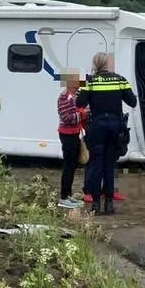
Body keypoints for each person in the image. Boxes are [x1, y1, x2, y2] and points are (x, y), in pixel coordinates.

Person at [75, 52, 137, 216]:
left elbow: (79, 102)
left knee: (96, 165)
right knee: (110, 165)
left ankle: (95, 204)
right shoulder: (120, 80)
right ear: (108, 64)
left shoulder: (90, 82)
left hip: (96, 128)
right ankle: (109, 204)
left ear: (95, 64)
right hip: (115, 128)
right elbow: (133, 102)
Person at [56, 69, 88, 209]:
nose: (78, 83)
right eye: (76, 80)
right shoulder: (64, 97)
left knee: (73, 164)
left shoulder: (73, 95)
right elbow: (67, 118)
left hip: (73, 133)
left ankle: (68, 195)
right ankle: (63, 197)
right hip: (67, 134)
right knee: (68, 165)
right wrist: (82, 114)